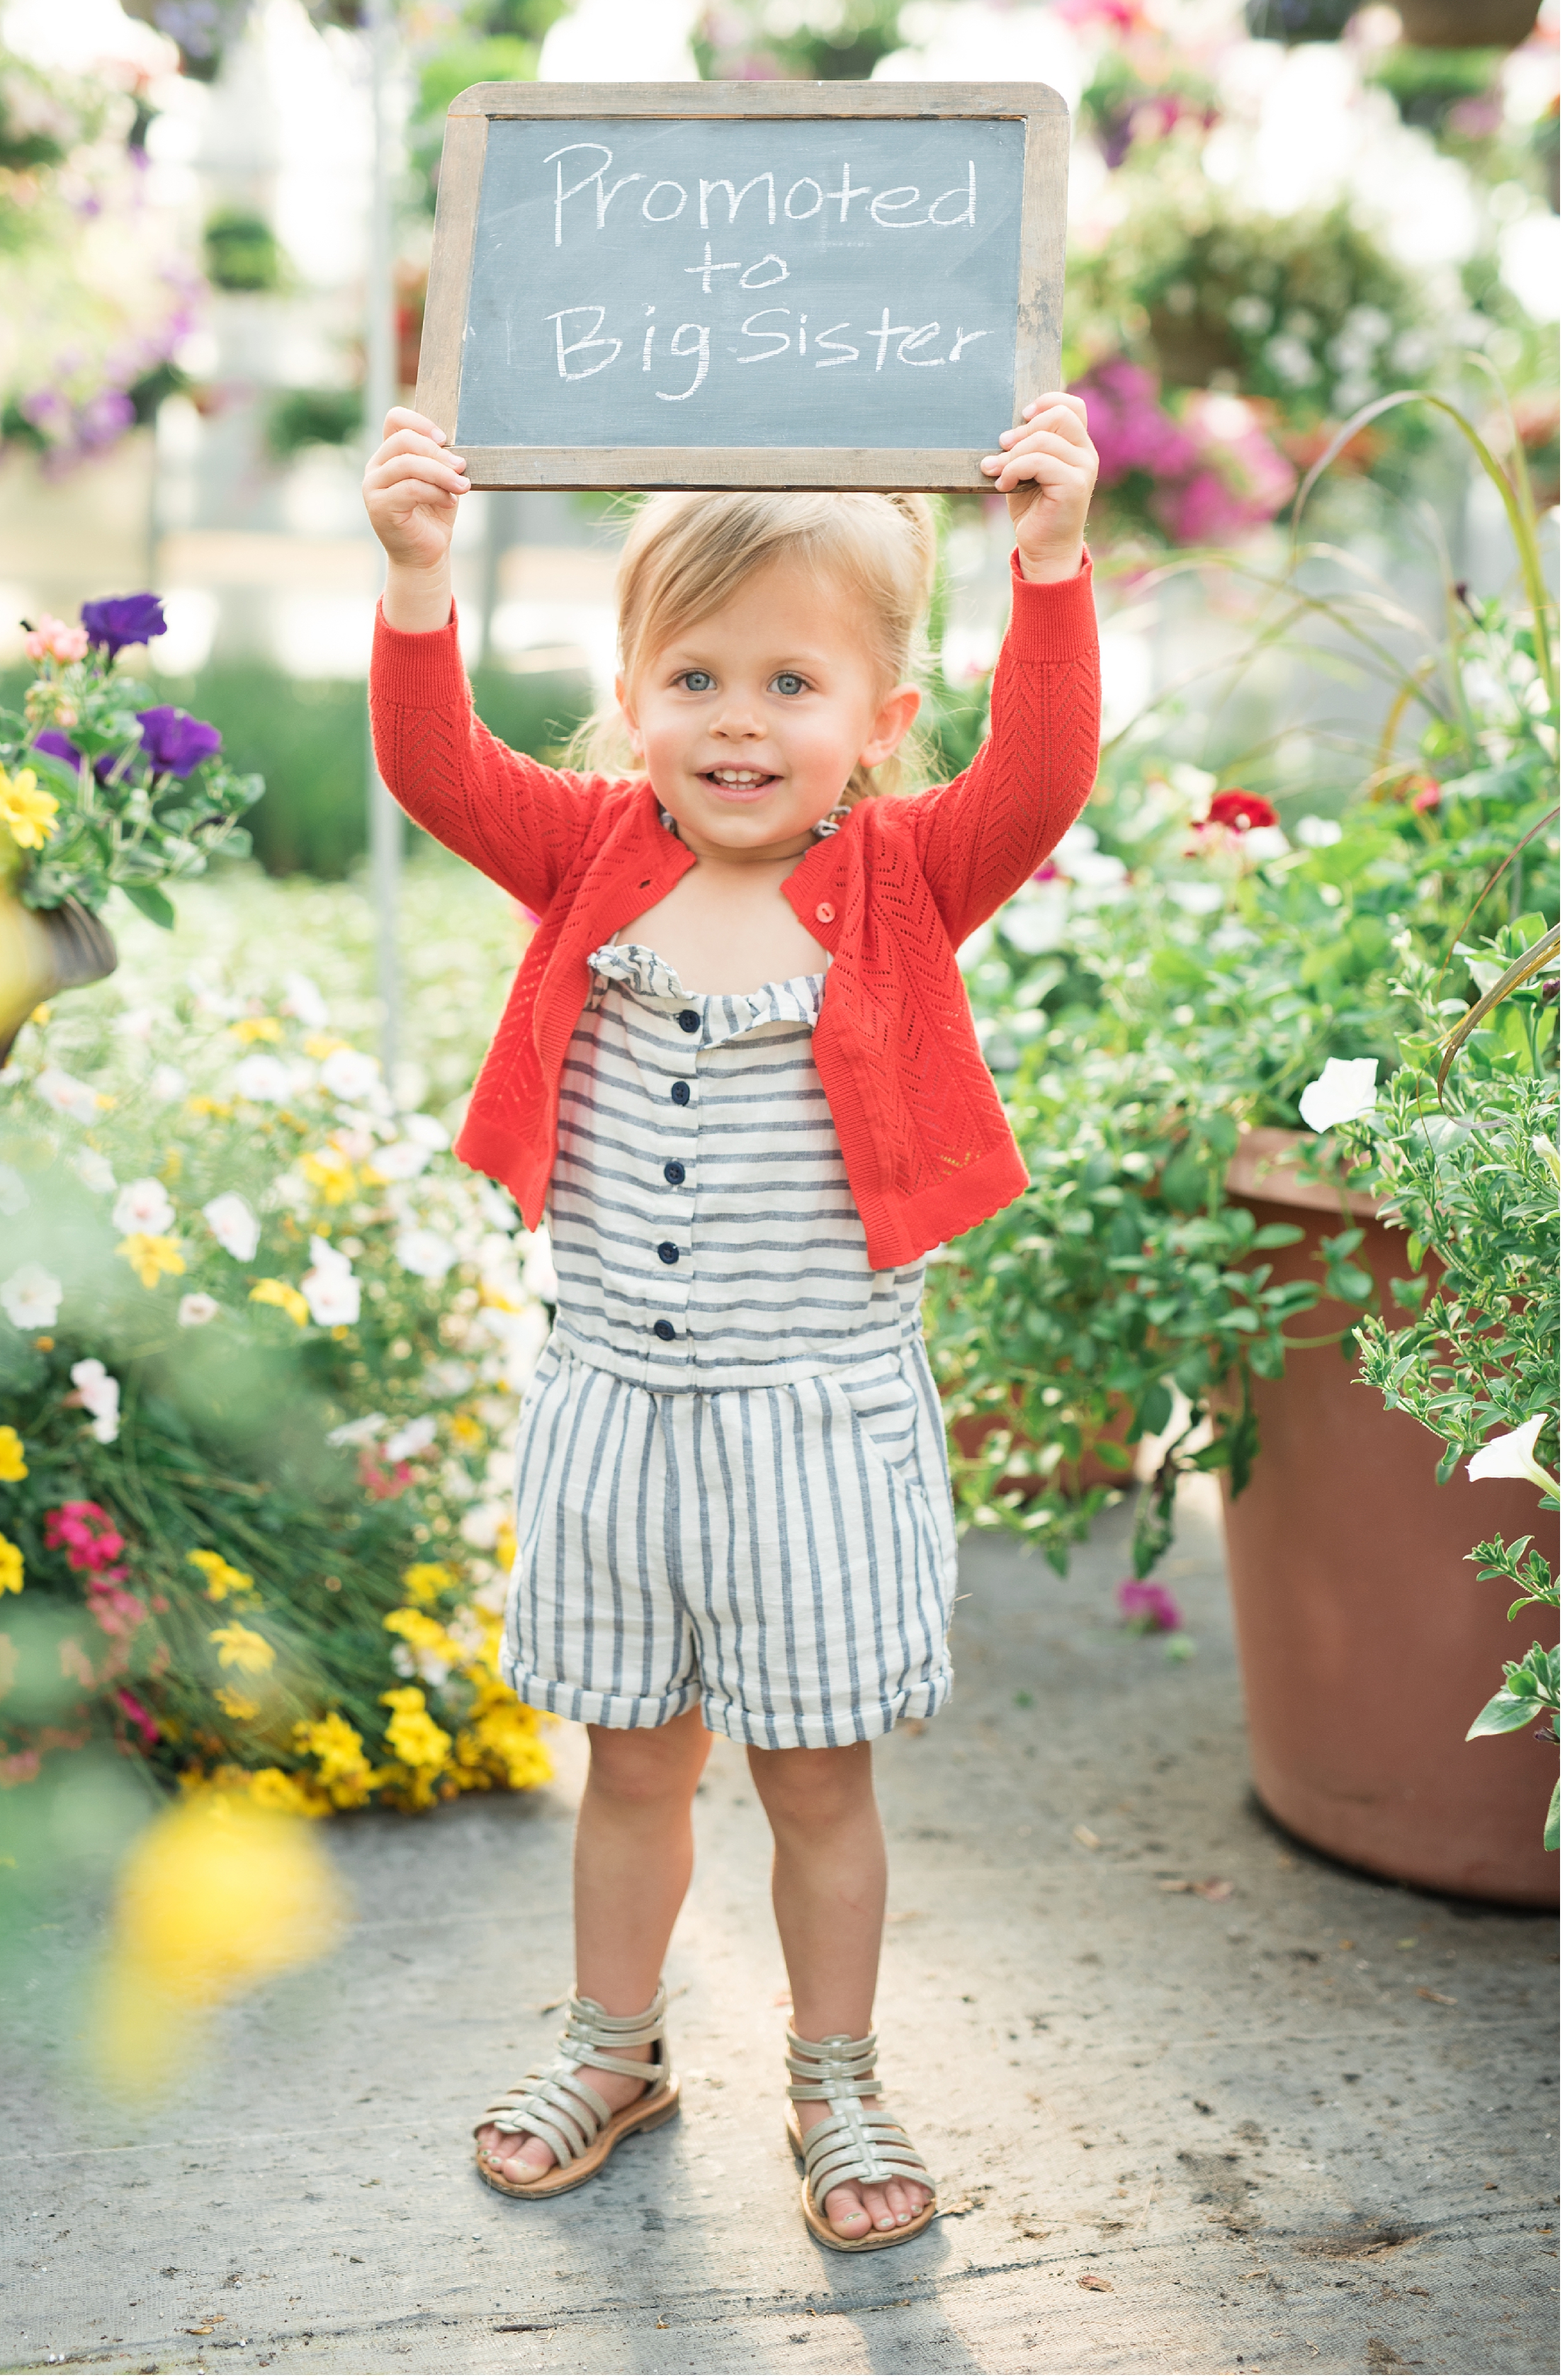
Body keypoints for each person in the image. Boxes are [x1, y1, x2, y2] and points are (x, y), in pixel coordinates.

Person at [363, 397, 1102, 2252]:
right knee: (627, 1757)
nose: (740, 720)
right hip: (617, 1403)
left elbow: (1044, 774)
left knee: (816, 1776)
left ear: (878, 722)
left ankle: (833, 2069)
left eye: (792, 680)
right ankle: (613, 2043)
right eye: (694, 675)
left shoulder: (905, 879)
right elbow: (438, 767)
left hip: (813, 1420)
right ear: (628, 694)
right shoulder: (591, 854)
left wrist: (1051, 561)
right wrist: (414, 572)